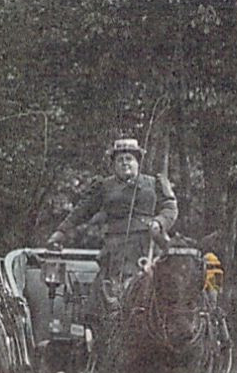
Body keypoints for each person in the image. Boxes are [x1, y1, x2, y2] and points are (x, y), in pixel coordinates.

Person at [47, 137, 177, 322]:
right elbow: (82, 210)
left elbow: (170, 207)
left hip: (148, 244)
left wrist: (160, 221)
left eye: (129, 158)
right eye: (120, 159)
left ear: (138, 162)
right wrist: (61, 231)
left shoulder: (154, 183)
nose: (125, 162)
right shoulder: (104, 186)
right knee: (105, 299)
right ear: (114, 164)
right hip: (116, 249)